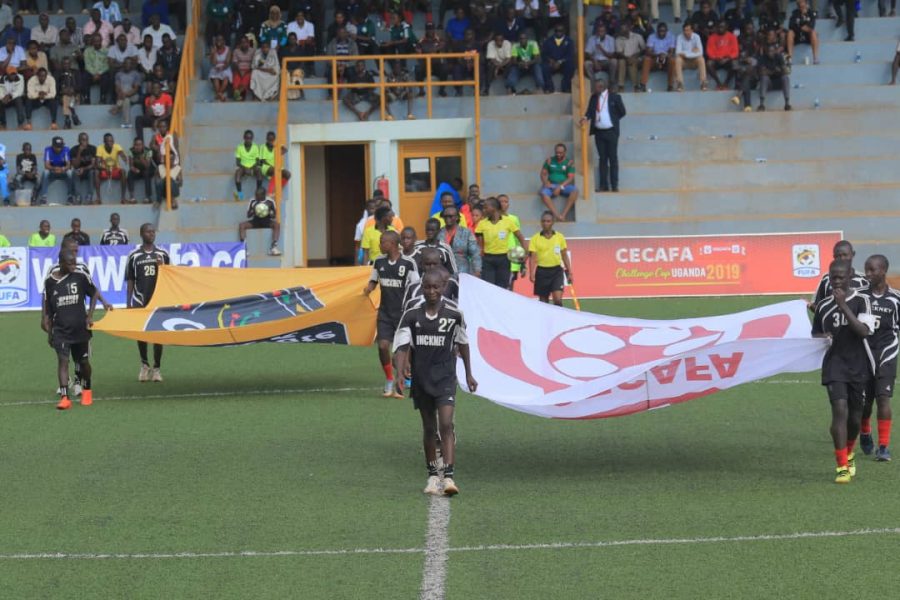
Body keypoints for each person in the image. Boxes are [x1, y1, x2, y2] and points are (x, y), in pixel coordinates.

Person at [393, 269, 477, 496]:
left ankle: (448, 477)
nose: (432, 291)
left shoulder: (454, 314)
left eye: (436, 287)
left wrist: (469, 374)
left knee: (446, 425)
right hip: (422, 379)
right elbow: (401, 346)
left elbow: (464, 343)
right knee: (429, 428)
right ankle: (432, 476)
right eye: (427, 287)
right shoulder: (411, 315)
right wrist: (399, 373)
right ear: (422, 287)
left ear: (444, 287)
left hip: (445, 377)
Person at [812, 260, 875, 483]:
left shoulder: (862, 301)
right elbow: (816, 333)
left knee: (855, 417)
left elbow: (864, 331)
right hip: (834, 365)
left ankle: (849, 453)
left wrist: (844, 306)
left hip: (858, 365)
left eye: (840, 277)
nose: (836, 281)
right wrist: (823, 337)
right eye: (832, 277)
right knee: (839, 410)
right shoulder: (823, 306)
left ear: (849, 276)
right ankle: (841, 467)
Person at [41, 249, 104, 410]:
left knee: (83, 362)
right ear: (60, 262)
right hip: (61, 330)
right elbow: (49, 307)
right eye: (70, 263)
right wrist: (50, 332)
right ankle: (64, 397)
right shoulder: (49, 281)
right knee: (63, 361)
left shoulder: (80, 276)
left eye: (75, 263)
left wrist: (89, 315)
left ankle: (87, 390)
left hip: (80, 329)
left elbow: (95, 293)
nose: (73, 266)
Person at [364, 229, 419, 398]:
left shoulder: (409, 263)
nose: (379, 245)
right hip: (385, 314)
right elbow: (373, 281)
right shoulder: (378, 261)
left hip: (403, 315)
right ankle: (389, 379)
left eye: (382, 242)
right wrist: (368, 289)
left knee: (400, 355)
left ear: (393, 244)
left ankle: (402, 382)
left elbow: (417, 287)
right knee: (382, 346)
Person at [859, 255, 897, 461]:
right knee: (865, 403)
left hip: (886, 354)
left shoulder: (896, 299)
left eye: (872, 270)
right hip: (863, 354)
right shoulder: (859, 296)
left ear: (883, 270)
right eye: (866, 270)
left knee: (884, 399)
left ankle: (883, 447)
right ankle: (865, 431)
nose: (868, 274)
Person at [126, 223, 170, 382]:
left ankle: (156, 368)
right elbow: (130, 279)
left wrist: (162, 267)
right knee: (141, 333)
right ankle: (144, 365)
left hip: (158, 300)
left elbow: (171, 276)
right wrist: (128, 302)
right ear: (141, 233)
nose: (151, 234)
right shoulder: (134, 255)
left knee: (158, 334)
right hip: (139, 299)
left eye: (153, 231)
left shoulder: (163, 254)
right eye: (148, 231)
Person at [581, 76, 627, 193]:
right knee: (602, 159)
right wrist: (586, 118)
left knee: (613, 158)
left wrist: (612, 120)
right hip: (599, 132)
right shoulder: (593, 98)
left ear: (601, 87)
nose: (593, 89)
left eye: (595, 87)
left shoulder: (615, 97)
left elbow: (622, 112)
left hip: (611, 132)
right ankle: (603, 185)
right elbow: (590, 111)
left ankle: (614, 185)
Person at [476, 197, 526, 288]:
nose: (484, 210)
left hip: (504, 259)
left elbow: (520, 237)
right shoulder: (482, 224)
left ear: (493, 208)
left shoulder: (508, 221)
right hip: (488, 260)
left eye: (486, 208)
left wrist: (524, 254)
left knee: (502, 288)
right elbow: (479, 243)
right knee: (489, 287)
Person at [528, 211, 572, 305]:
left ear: (553, 222)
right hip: (541, 272)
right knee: (544, 303)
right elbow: (532, 258)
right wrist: (531, 273)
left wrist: (570, 271)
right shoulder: (535, 238)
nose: (545, 223)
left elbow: (564, 255)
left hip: (556, 271)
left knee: (558, 300)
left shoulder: (559, 237)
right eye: (543, 221)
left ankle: (559, 319)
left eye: (548, 221)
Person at [811, 240, 869, 307]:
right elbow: (818, 306)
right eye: (838, 256)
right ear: (834, 257)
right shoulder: (826, 279)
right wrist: (810, 305)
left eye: (845, 255)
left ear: (853, 254)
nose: (842, 258)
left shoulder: (863, 280)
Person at [539, 143, 578, 221]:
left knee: (575, 191)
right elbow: (543, 174)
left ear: (565, 152)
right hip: (551, 185)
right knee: (543, 193)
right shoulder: (549, 160)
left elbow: (570, 178)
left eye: (560, 153)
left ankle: (563, 214)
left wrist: (560, 187)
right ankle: (558, 216)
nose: (558, 154)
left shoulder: (569, 162)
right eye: (556, 152)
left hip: (564, 186)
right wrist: (545, 182)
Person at [439, 205, 480, 276]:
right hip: (443, 271)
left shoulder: (466, 232)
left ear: (457, 217)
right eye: (445, 216)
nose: (448, 218)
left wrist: (477, 270)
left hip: (462, 271)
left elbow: (475, 253)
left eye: (450, 216)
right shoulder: (439, 232)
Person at [239, 187, 282, 256]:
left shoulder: (270, 202)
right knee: (242, 225)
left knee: (277, 225)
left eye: (258, 196)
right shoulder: (252, 201)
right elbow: (248, 215)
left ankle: (273, 248)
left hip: (266, 221)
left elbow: (274, 215)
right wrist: (254, 211)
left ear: (264, 195)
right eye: (256, 195)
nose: (256, 197)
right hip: (255, 221)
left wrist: (268, 212)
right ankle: (244, 249)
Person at [39, 135, 74, 205]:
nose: (59, 149)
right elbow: (46, 165)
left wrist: (62, 169)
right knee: (45, 173)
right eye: (57, 147)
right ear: (52, 145)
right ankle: (43, 197)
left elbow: (68, 165)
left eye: (60, 147)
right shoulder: (48, 150)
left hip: (63, 171)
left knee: (70, 173)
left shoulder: (66, 149)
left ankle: (70, 196)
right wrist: (54, 168)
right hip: (52, 171)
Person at [757, 42, 791, 112]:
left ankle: (787, 104)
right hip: (768, 84)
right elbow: (762, 72)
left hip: (779, 82)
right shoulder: (762, 58)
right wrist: (775, 71)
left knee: (785, 78)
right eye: (768, 51)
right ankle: (761, 104)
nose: (770, 53)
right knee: (764, 78)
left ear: (775, 51)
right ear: (766, 51)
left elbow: (786, 71)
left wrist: (770, 71)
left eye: (772, 51)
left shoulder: (779, 57)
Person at [641, 22, 675, 92]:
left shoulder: (671, 36)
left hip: (666, 60)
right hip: (655, 58)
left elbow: (671, 52)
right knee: (646, 59)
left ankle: (670, 85)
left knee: (672, 60)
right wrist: (658, 55)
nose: (661, 33)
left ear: (666, 31)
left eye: (663, 31)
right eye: (659, 31)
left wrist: (664, 56)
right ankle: (643, 85)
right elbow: (648, 51)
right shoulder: (652, 36)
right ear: (657, 31)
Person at [95, 132, 127, 204]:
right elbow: (96, 164)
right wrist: (105, 169)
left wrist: (124, 157)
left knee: (123, 171)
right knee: (96, 172)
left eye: (111, 141)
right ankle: (98, 198)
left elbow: (121, 153)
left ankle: (123, 198)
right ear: (104, 142)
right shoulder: (100, 148)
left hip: (114, 170)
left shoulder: (117, 146)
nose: (110, 143)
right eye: (108, 141)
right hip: (105, 171)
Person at [540, 24, 574, 94]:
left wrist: (560, 62)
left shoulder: (569, 41)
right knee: (544, 67)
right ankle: (549, 88)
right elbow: (544, 54)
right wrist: (550, 60)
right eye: (556, 31)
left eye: (560, 31)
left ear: (564, 31)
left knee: (570, 66)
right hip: (551, 63)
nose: (558, 32)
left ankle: (566, 87)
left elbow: (570, 55)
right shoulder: (548, 41)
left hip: (563, 63)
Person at [614, 20, 645, 93]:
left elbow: (644, 50)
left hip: (638, 57)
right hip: (625, 58)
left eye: (623, 28)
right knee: (621, 62)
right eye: (621, 29)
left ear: (628, 28)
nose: (622, 30)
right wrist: (627, 58)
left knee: (632, 62)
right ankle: (621, 86)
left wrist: (634, 56)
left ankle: (636, 86)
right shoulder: (618, 39)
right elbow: (619, 53)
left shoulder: (637, 36)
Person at [674, 22, 706, 91]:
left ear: (692, 30)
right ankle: (680, 84)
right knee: (678, 59)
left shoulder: (696, 37)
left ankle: (703, 83)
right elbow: (677, 52)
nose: (686, 32)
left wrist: (685, 54)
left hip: (694, 61)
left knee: (701, 59)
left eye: (688, 30)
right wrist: (692, 52)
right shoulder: (680, 37)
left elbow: (701, 52)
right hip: (684, 62)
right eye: (685, 30)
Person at [705, 21, 737, 90]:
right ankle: (719, 83)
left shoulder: (732, 37)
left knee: (735, 64)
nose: (720, 29)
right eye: (719, 27)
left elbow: (735, 52)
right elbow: (709, 51)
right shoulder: (712, 37)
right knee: (709, 64)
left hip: (727, 60)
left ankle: (726, 83)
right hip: (716, 60)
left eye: (722, 27)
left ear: (726, 27)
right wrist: (716, 58)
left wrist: (727, 59)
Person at [786, 0, 819, 65]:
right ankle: (789, 58)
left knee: (814, 33)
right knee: (790, 33)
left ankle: (815, 58)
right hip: (797, 35)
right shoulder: (795, 13)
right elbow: (791, 25)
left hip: (807, 36)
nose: (801, 4)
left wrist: (799, 25)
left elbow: (811, 26)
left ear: (806, 3)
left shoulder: (811, 13)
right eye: (799, 3)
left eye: (802, 2)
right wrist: (801, 27)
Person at [72, 131, 97, 204]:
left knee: (92, 172)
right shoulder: (74, 149)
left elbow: (93, 164)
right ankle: (78, 196)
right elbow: (75, 165)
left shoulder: (92, 148)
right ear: (79, 140)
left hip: (88, 170)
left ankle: (89, 196)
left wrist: (84, 169)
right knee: (74, 172)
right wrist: (79, 152)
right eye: (83, 140)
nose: (85, 142)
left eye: (86, 140)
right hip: (78, 170)